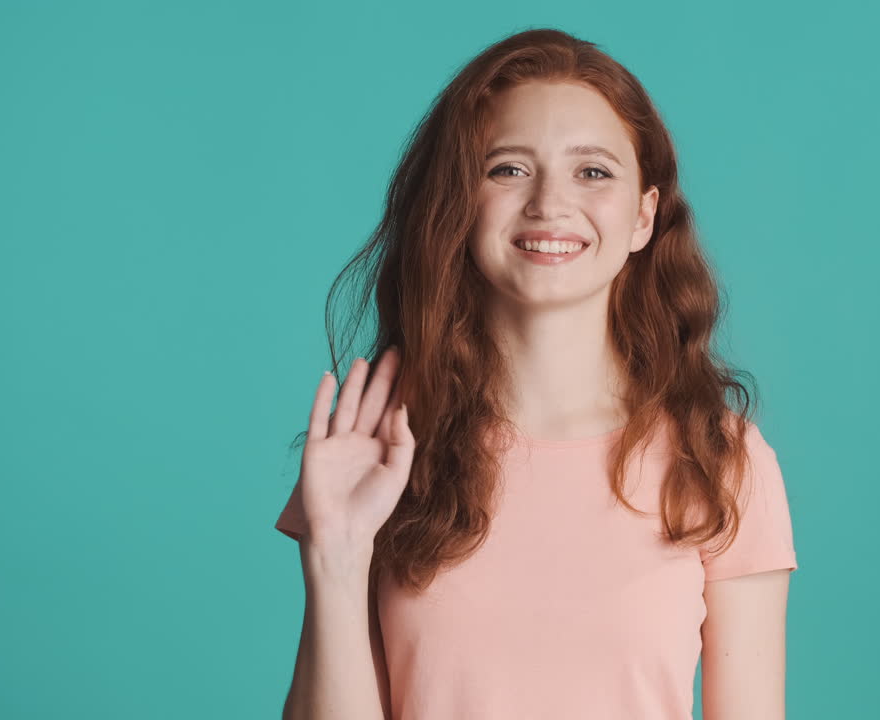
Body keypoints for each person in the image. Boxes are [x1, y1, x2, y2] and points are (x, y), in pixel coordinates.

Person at [274, 27, 798, 720]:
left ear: (644, 215)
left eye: (593, 172)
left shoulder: (721, 459)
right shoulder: (381, 451)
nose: (549, 203)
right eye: (508, 169)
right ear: (460, 203)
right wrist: (335, 558)